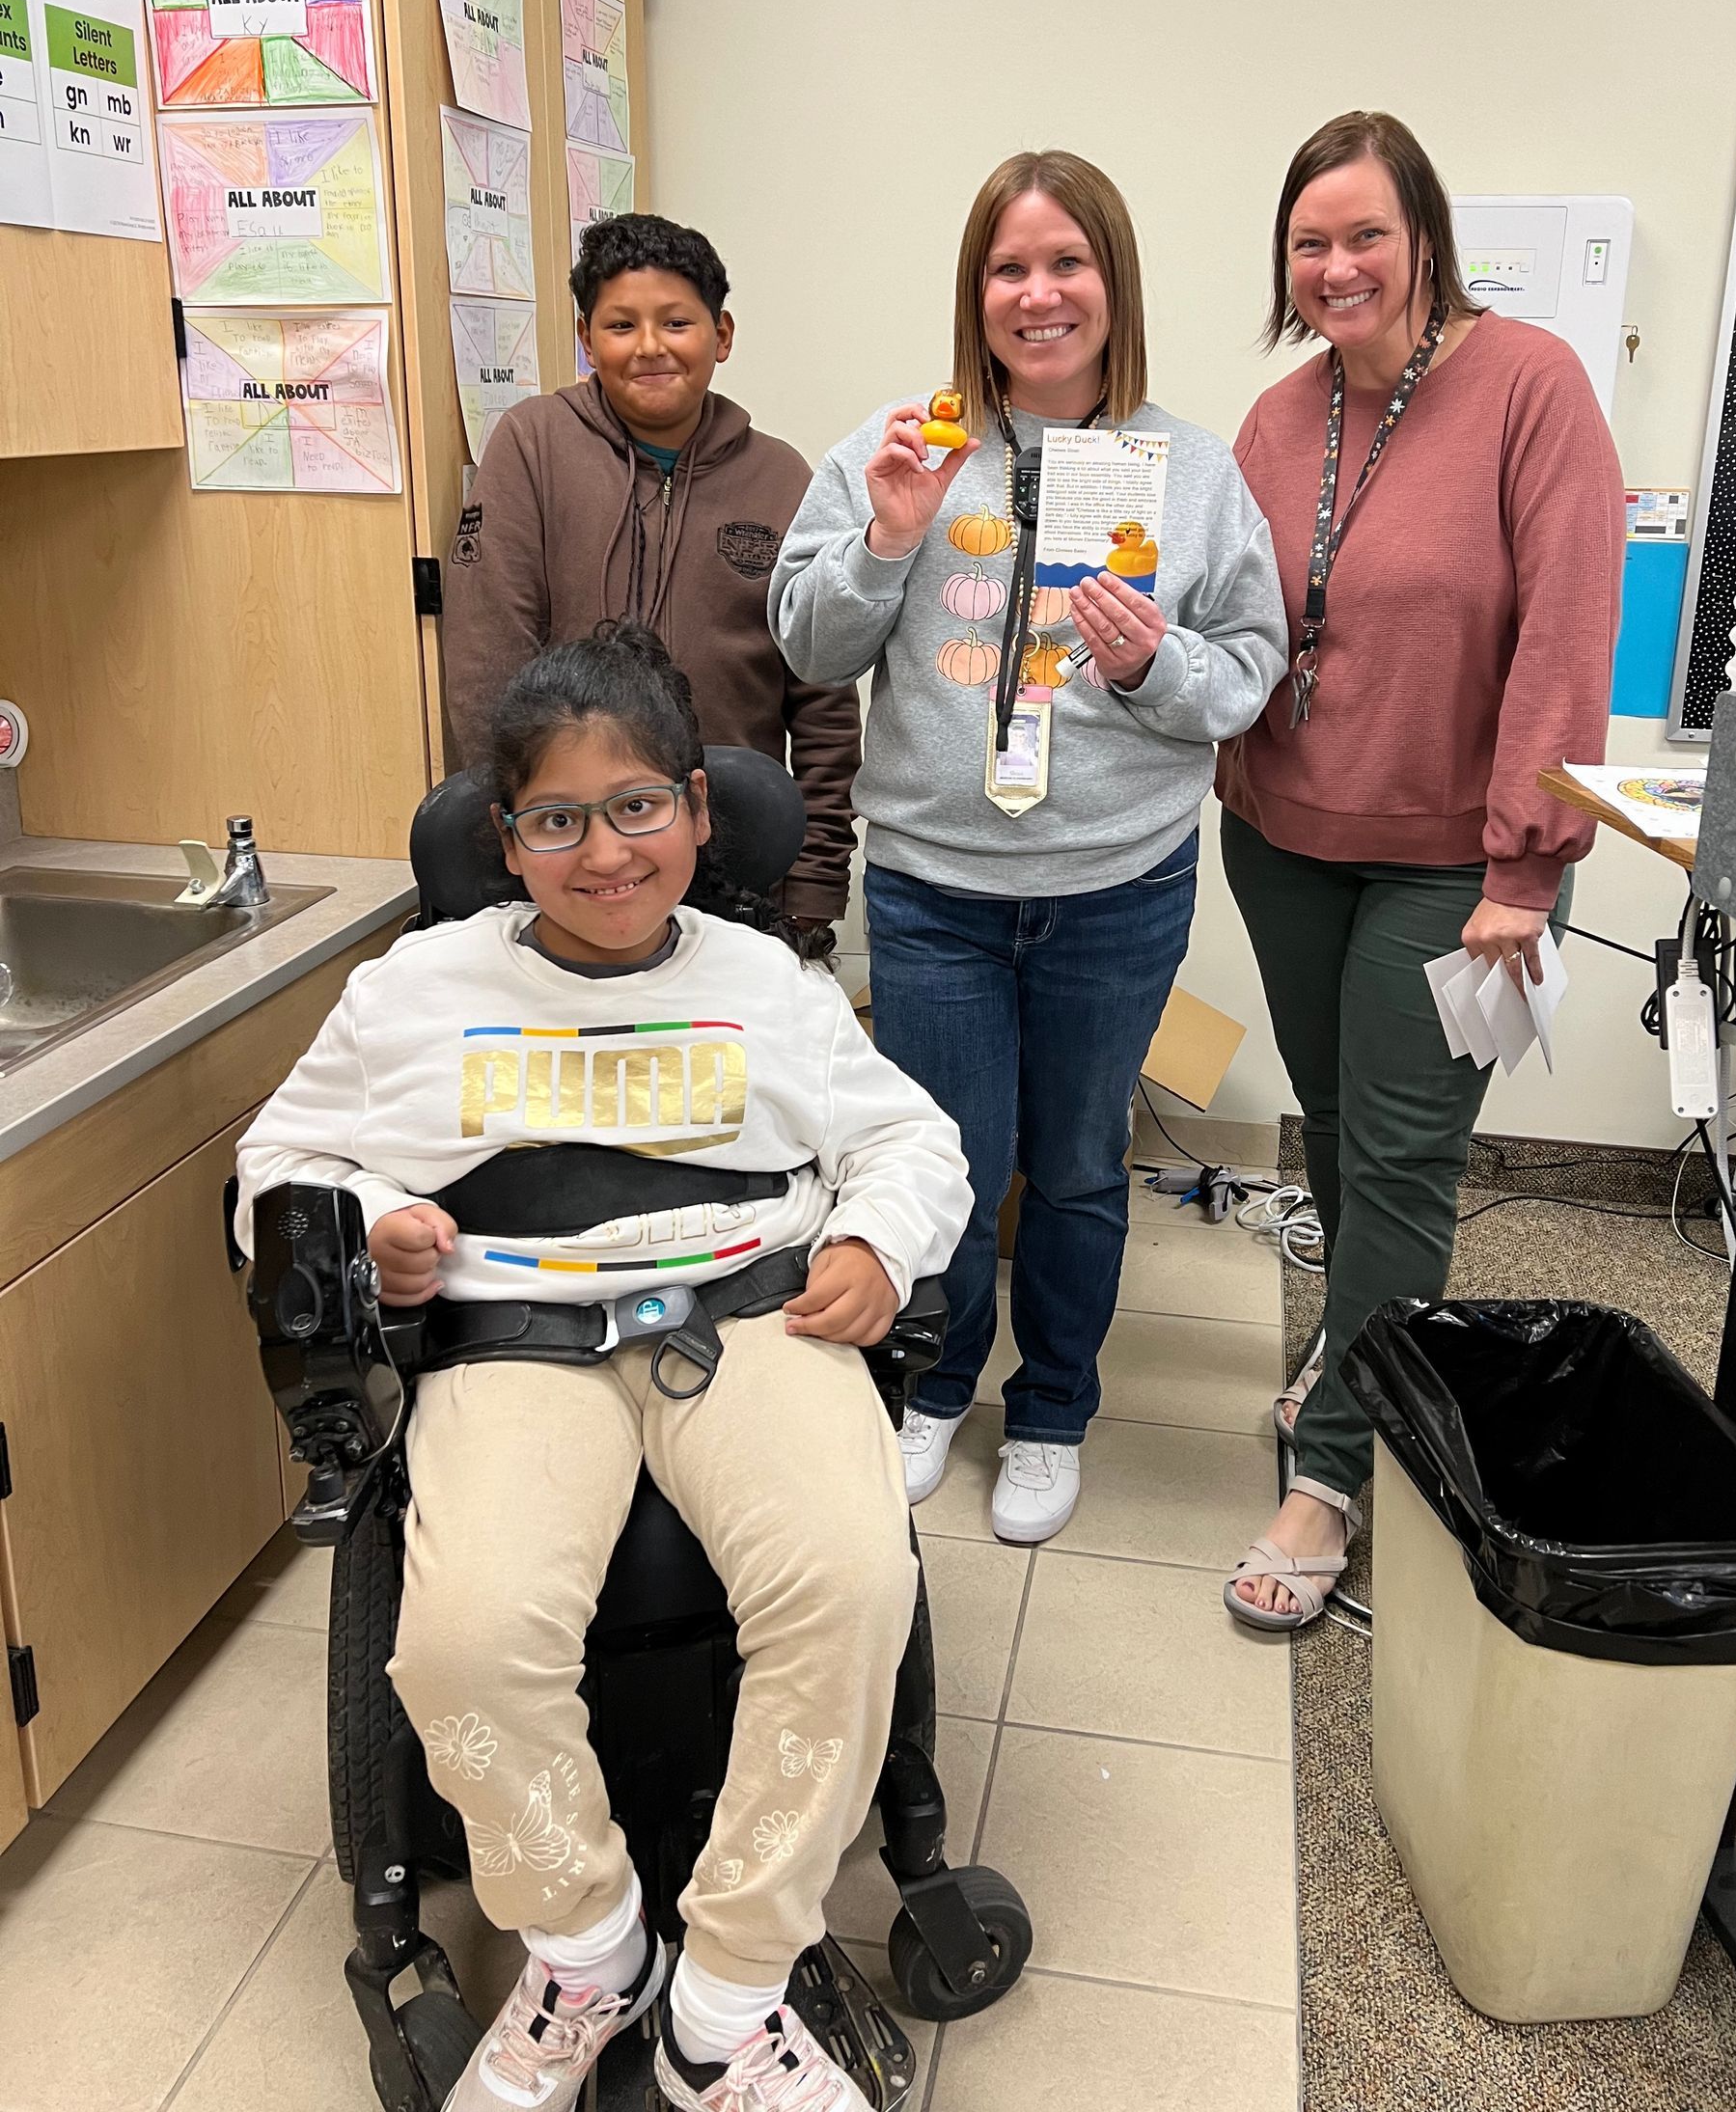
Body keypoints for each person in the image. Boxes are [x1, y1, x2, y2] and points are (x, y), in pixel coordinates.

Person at [234, 621, 970, 2112]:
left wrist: (879, 1245)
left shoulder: (773, 985)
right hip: (513, 1338)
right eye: (558, 819)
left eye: (639, 806)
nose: (607, 852)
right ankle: (584, 1949)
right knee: (461, 1641)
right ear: (506, 843)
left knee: (848, 1583)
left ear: (699, 811)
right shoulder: (412, 991)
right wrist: (376, 1222)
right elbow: (277, 1161)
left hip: (752, 1316)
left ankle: (730, 1996)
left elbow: (912, 1139)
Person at [770, 151, 1287, 1546]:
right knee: (942, 1155)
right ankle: (939, 1385)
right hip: (937, 888)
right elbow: (806, 644)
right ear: (975, 291)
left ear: (1113, 288)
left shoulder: (1188, 470)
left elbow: (1247, 672)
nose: (1039, 293)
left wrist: (1152, 668)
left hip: (1115, 891)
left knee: (1070, 1164)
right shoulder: (900, 446)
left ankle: (1053, 1406)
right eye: (1011, 267)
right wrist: (885, 536)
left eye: (1068, 264)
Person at [1218, 110, 1624, 1633]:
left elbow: (1568, 637)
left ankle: (1335, 1473)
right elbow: (1240, 621)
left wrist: (1527, 865)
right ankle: (1359, 1348)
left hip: (1458, 865)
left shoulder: (1532, 388)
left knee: (1398, 1163)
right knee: (1337, 1127)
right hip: (1281, 838)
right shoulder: (1277, 418)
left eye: (1364, 236)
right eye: (1309, 243)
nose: (1336, 266)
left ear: (1426, 240)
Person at [443, 213, 860, 933]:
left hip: (736, 865)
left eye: (675, 322)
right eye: (620, 325)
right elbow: (487, 666)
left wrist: (815, 890)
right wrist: (514, 857)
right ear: (586, 339)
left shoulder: (783, 478)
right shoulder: (533, 446)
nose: (649, 348)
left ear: (721, 335)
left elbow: (823, 700)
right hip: (573, 862)